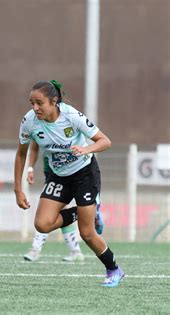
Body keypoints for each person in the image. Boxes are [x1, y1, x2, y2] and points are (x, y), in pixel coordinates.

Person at [14, 80, 125, 287]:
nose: (35, 108)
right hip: (59, 176)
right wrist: (18, 189)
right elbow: (21, 155)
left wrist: (86, 149)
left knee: (87, 233)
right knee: (42, 224)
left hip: (85, 173)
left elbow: (105, 141)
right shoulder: (29, 121)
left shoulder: (71, 116)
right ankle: (85, 212)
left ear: (54, 101)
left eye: (39, 103)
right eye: (32, 103)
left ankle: (114, 269)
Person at [23, 141, 85, 262]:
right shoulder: (38, 126)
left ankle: (35, 249)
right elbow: (35, 147)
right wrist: (30, 168)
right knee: (58, 210)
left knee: (47, 213)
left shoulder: (64, 125)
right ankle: (76, 251)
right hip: (51, 171)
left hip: (66, 172)